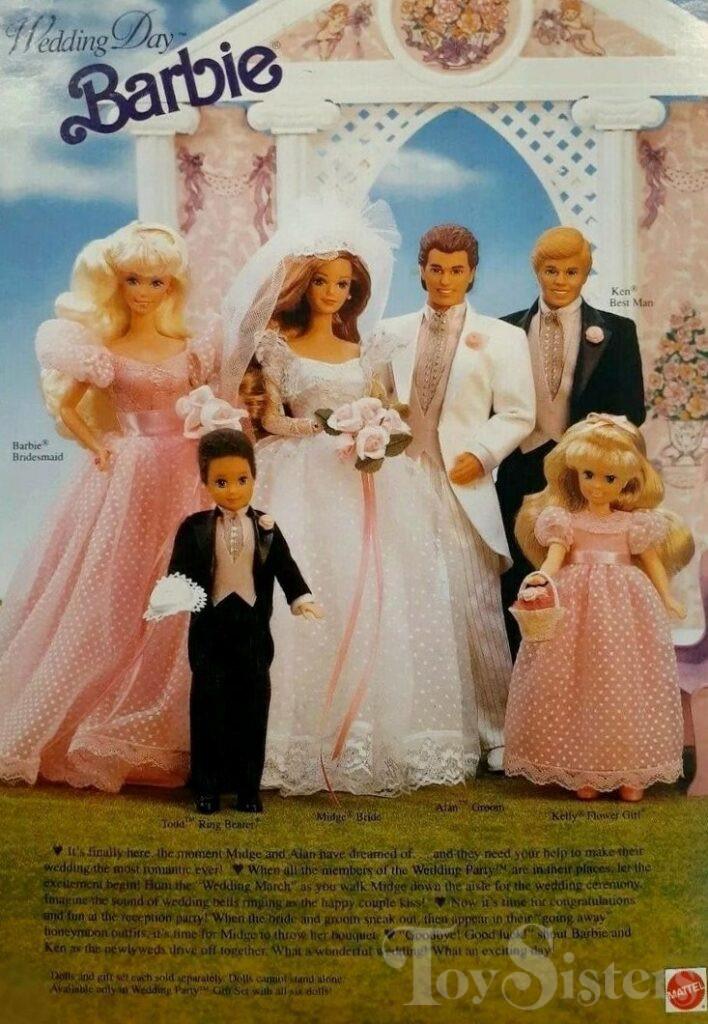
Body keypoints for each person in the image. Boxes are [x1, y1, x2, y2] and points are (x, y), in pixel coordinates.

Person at [223, 197, 479, 795]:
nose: (333, 293)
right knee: (304, 585)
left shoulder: (370, 350)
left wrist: (378, 426)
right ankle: (290, 735)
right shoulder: (278, 346)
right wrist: (322, 428)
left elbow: (389, 407)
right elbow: (272, 419)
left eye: (343, 284)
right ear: (303, 285)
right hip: (301, 475)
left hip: (366, 477)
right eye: (322, 282)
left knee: (377, 587)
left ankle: (370, 730)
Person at [0, 221, 221, 792]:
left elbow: (208, 402)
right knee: (116, 582)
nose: (144, 291)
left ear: (172, 286)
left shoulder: (191, 349)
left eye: (156, 281)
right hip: (132, 472)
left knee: (186, 579)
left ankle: (173, 724)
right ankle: (92, 717)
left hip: (187, 470)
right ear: (115, 282)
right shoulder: (103, 353)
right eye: (133, 279)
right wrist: (100, 447)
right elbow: (68, 407)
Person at [378, 224, 536, 771]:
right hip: (400, 478)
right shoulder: (389, 333)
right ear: (420, 270)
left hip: (461, 481)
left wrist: (484, 453)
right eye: (436, 269)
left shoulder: (502, 337)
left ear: (472, 273)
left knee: (475, 603)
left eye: (457, 270)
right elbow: (376, 398)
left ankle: (497, 732)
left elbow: (518, 412)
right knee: (405, 599)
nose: (445, 279)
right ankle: (417, 726)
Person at [504, 415, 693, 801]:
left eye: (609, 478)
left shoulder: (636, 524)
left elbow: (653, 563)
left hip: (625, 608)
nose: (596, 485)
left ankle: (630, 770)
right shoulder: (564, 521)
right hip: (576, 607)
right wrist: (540, 580)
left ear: (628, 482)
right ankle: (583, 768)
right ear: (575, 473)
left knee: (625, 684)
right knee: (580, 683)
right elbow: (553, 560)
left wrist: (667, 596)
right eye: (588, 475)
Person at [146, 429, 322, 814]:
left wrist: (301, 599)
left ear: (254, 477)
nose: (232, 490)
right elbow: (179, 572)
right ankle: (206, 788)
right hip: (209, 633)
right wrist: (170, 597)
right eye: (221, 482)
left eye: (242, 479)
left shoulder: (267, 528)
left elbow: (286, 568)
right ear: (206, 482)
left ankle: (247, 790)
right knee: (207, 709)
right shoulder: (194, 528)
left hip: (253, 634)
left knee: (253, 710)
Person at [496, 225, 646, 658]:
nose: (560, 281)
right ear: (536, 271)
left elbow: (632, 410)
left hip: (585, 475)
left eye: (571, 272)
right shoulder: (505, 330)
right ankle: (520, 673)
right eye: (551, 271)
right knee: (519, 577)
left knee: (580, 576)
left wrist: (593, 441)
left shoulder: (617, 331)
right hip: (520, 469)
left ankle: (579, 671)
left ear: (586, 273)